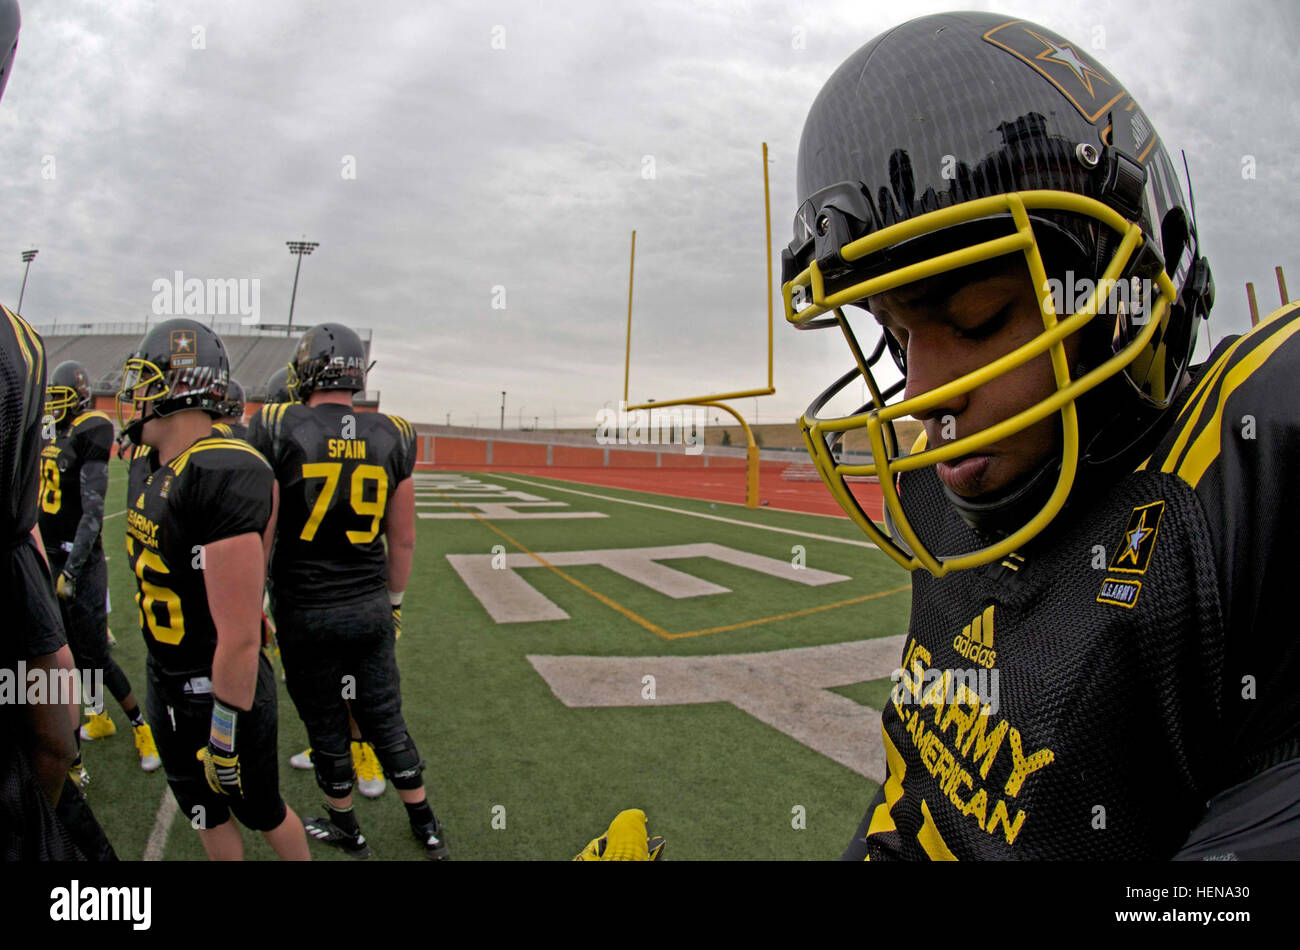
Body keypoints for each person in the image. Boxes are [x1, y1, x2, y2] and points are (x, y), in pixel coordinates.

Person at [781, 11, 1298, 859]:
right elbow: (915, 818)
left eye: (979, 320)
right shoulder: (941, 502)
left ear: (1130, 290)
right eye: (896, 337)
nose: (922, 399)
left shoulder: (1236, 490)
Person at [247, 322, 446, 858]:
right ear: (358, 374)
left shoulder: (275, 423)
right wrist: (395, 604)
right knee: (385, 716)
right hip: (368, 606)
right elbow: (401, 539)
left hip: (303, 607)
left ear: (304, 369)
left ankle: (346, 827)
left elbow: (263, 532)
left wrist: (254, 602)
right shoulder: (393, 432)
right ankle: (425, 824)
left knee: (326, 724)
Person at [117, 316, 309, 860]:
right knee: (201, 810)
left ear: (182, 388)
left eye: (147, 381)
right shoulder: (151, 461)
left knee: (262, 810)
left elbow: (242, 632)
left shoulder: (223, 469)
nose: (134, 396)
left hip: (219, 688)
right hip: (165, 673)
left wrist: (224, 725)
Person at [40, 360, 160, 778]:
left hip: (79, 562)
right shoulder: (53, 432)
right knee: (68, 655)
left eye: (60, 398)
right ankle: (98, 717)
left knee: (95, 656)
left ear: (80, 396)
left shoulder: (92, 428)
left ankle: (139, 724)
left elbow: (92, 512)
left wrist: (71, 571)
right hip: (52, 556)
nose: (53, 407)